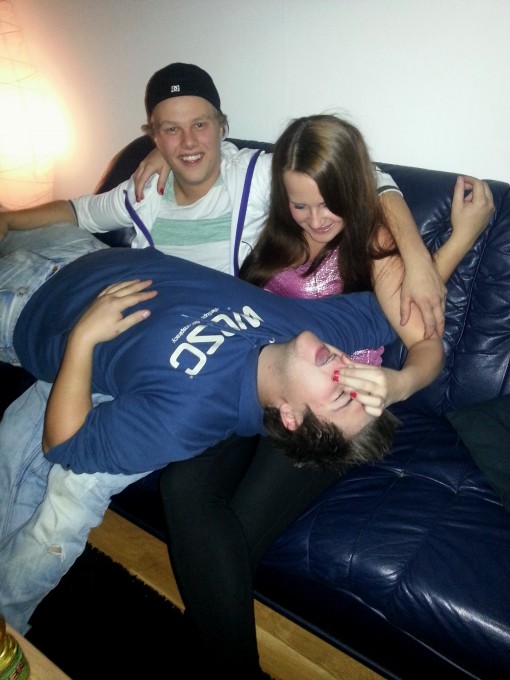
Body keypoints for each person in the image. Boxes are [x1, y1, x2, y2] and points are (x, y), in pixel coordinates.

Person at [157, 115, 495, 678]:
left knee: (238, 529)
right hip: (251, 387)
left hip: (328, 408)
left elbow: (426, 346)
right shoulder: (273, 234)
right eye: (300, 205)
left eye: (328, 205)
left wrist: (399, 384)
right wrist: (159, 154)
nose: (315, 221)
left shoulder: (374, 245)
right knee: (180, 486)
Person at [0, 223, 412, 635]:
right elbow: (412, 304)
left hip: (23, 302)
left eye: (341, 395)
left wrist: (83, 337)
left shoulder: (187, 417)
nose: (345, 370)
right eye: (358, 377)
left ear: (290, 418)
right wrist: (404, 380)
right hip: (76, 246)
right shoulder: (311, 332)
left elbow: (64, 444)